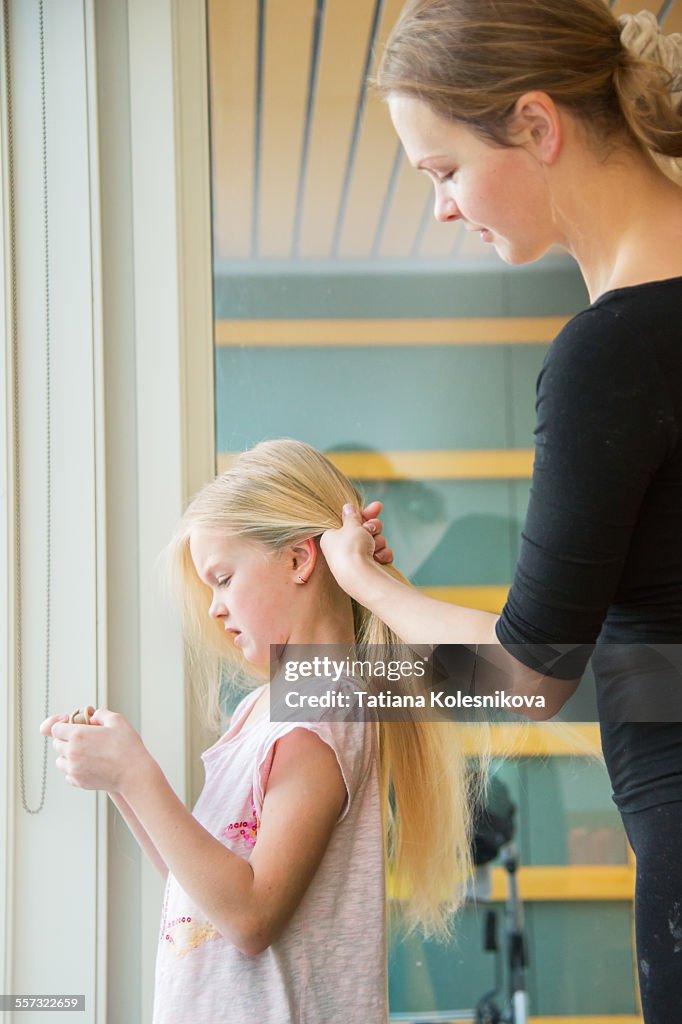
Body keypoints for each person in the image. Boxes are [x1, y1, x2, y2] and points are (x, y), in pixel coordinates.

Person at [317, 3, 682, 1022]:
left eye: (441, 171)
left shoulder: (611, 355)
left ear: (535, 124)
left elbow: (530, 677)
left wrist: (366, 589)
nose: (439, 208)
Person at [40, 439, 483, 1024]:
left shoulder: (321, 709)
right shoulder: (260, 709)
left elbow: (251, 919)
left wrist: (137, 774)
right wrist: (121, 781)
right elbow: (201, 893)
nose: (213, 608)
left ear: (299, 560)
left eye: (222, 578)